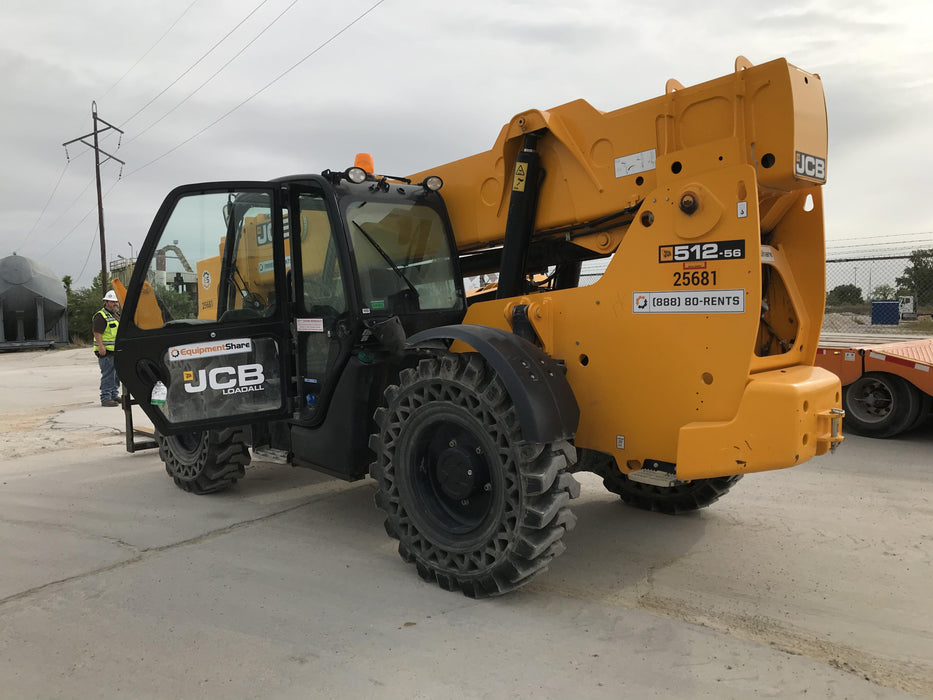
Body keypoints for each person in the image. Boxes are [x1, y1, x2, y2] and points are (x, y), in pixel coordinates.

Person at [93, 290, 121, 407]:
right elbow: (97, 332)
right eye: (112, 302)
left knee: (116, 375)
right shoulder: (101, 316)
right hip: (106, 351)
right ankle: (105, 398)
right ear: (106, 302)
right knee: (108, 375)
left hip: (115, 351)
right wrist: (101, 346)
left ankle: (114, 395)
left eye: (116, 302)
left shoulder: (115, 315)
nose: (115, 304)